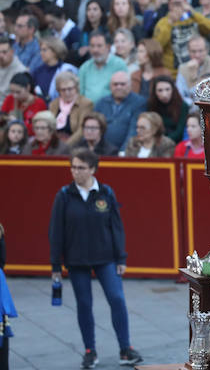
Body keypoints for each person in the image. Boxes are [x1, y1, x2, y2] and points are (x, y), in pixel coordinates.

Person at [49, 149, 143, 368]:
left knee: (117, 299)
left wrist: (121, 258)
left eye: (80, 167)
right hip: (76, 260)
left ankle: (125, 349)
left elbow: (116, 227)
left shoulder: (105, 193)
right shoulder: (64, 196)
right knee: (84, 304)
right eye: (73, 167)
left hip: (106, 258)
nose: (75, 172)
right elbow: (56, 232)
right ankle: (90, 350)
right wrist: (55, 264)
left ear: (92, 169)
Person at [153, 0, 210, 72]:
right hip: (174, 71)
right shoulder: (163, 22)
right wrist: (170, 23)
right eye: (174, 4)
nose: (177, 6)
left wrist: (192, 12)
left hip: (197, 68)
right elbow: (157, 46)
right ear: (169, 5)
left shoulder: (193, 17)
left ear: (186, 2)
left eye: (180, 3)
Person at [94, 72, 146, 155]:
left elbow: (134, 130)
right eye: (115, 84)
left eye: (122, 84)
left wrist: (123, 152)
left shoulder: (139, 102)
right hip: (102, 151)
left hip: (126, 152)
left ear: (130, 85)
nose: (119, 87)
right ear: (110, 86)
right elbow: (94, 128)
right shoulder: (101, 102)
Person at [49, 71, 93, 145]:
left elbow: (82, 130)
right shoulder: (53, 104)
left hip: (75, 145)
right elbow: (49, 127)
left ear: (76, 88)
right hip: (54, 144)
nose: (67, 93)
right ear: (58, 90)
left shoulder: (86, 104)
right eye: (63, 90)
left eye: (70, 89)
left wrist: (65, 145)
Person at [174, 35, 210, 106]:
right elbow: (180, 95)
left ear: (207, 50)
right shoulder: (182, 68)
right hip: (190, 110)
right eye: (193, 51)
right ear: (188, 51)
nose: (197, 55)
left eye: (200, 51)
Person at [33, 36, 78, 101]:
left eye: (44, 50)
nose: (41, 53)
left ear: (55, 51)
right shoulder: (38, 71)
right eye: (40, 50)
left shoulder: (67, 70)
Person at [146, 76, 188, 143]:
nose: (164, 94)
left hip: (175, 143)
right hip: (154, 141)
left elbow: (179, 131)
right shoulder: (150, 105)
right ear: (155, 92)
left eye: (167, 89)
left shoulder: (183, 106)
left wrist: (163, 142)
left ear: (173, 90)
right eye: (160, 90)